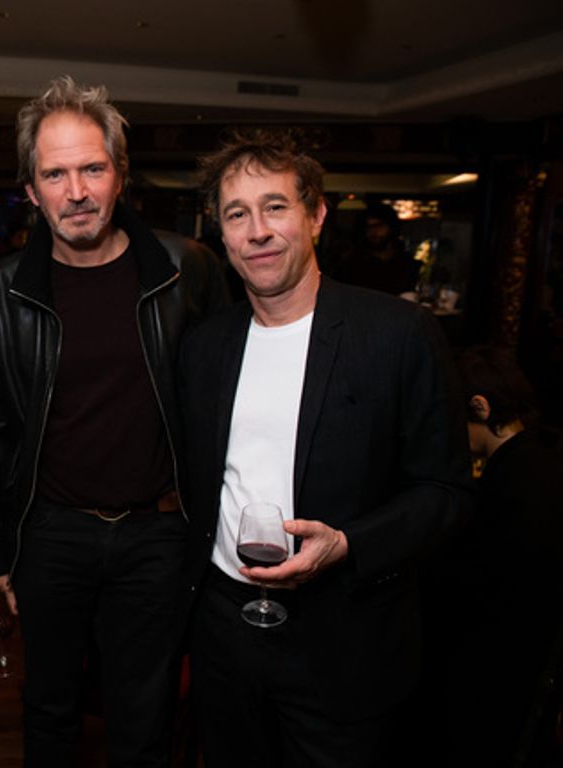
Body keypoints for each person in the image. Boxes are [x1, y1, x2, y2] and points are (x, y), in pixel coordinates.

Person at [179, 129, 474, 767]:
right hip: (224, 634)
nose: (257, 230)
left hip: (344, 639)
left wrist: (349, 545)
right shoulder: (204, 347)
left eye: (275, 207)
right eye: (237, 214)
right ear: (221, 233)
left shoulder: (397, 334)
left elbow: (446, 492)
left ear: (315, 214)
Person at [0, 76, 228, 766]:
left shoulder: (185, 269)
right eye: (55, 173)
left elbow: (225, 403)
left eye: (92, 168)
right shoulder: (5, 289)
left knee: (142, 718)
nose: (75, 190)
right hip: (51, 533)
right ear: (31, 187)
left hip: (158, 534)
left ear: (120, 176)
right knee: (48, 707)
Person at [420, 345, 562, 766]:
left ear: (480, 408)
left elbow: (483, 587)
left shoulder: (518, 484)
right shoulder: (544, 448)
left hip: (506, 676)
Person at [336, 202, 419, 296]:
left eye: (379, 226)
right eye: (369, 227)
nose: (374, 232)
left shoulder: (406, 263)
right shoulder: (353, 264)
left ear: (391, 227)